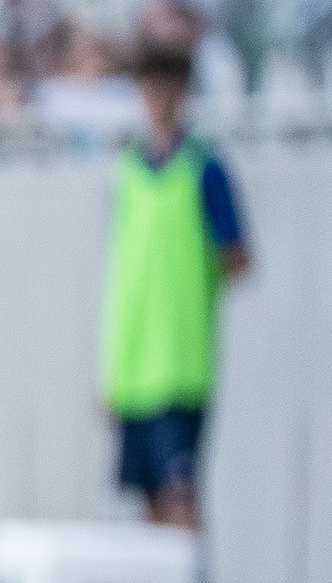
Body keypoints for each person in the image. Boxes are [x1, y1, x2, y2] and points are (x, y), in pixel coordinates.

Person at [103, 47, 252, 534]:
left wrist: (193, 274)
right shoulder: (129, 170)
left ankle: (192, 582)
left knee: (180, 492)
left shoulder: (204, 168)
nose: (158, 97)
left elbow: (238, 256)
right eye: (150, 85)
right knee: (148, 500)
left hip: (182, 363)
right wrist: (111, 373)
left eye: (169, 85)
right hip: (134, 369)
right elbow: (122, 275)